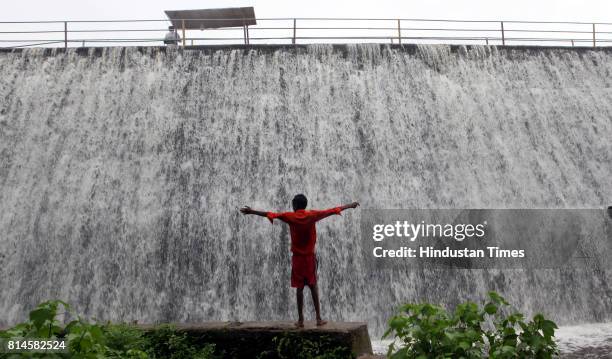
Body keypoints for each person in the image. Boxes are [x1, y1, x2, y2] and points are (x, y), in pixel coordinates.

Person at [240, 194, 359, 328]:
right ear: (305, 205)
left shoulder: (290, 216)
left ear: (295, 205)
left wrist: (251, 212)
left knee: (299, 289)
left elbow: (271, 214)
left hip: (297, 259)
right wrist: (350, 205)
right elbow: (332, 210)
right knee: (313, 286)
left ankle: (301, 320)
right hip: (309, 258)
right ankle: (319, 318)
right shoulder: (312, 215)